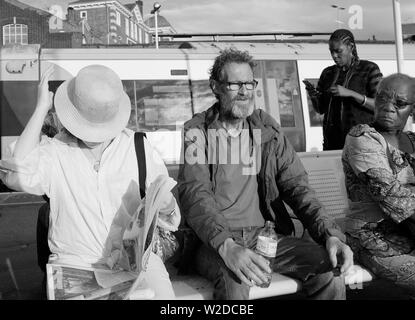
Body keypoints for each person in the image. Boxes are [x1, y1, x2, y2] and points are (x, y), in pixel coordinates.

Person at [177, 48, 353, 300]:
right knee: (235, 281)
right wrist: (227, 246)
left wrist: (330, 234)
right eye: (234, 84)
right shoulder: (198, 132)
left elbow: (297, 187)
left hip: (266, 238)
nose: (244, 91)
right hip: (215, 242)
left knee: (329, 269)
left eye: (249, 83)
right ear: (214, 86)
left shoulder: (267, 130)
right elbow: (195, 194)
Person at [0, 65, 180, 299]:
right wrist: (41, 108)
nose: (93, 135)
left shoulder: (137, 147)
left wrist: (165, 204)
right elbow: (16, 173)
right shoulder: (55, 151)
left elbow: (170, 215)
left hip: (136, 264)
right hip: (77, 265)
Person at [342, 73, 415, 296]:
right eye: (382, 98)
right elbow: (394, 198)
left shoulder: (411, 140)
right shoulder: (362, 137)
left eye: (400, 104)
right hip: (373, 236)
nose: (388, 107)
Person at [304, 29, 383, 150]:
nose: (334, 56)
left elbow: (381, 106)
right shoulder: (327, 73)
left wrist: (351, 94)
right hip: (332, 144)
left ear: (351, 47)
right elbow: (320, 109)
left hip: (363, 145)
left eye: (338, 51)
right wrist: (313, 95)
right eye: (331, 51)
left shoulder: (369, 69)